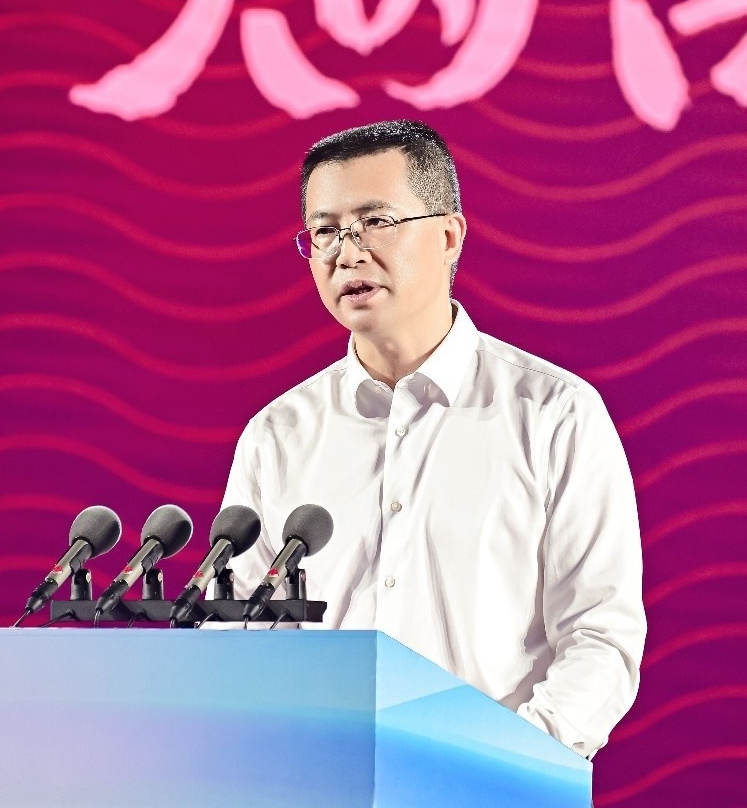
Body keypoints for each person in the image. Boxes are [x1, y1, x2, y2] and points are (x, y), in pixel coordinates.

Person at [220, 120, 645, 758]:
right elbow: (241, 632)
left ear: (449, 235)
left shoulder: (553, 413)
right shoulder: (279, 435)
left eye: (375, 222)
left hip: (496, 785)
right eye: (326, 230)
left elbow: (600, 637)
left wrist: (507, 762)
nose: (346, 253)